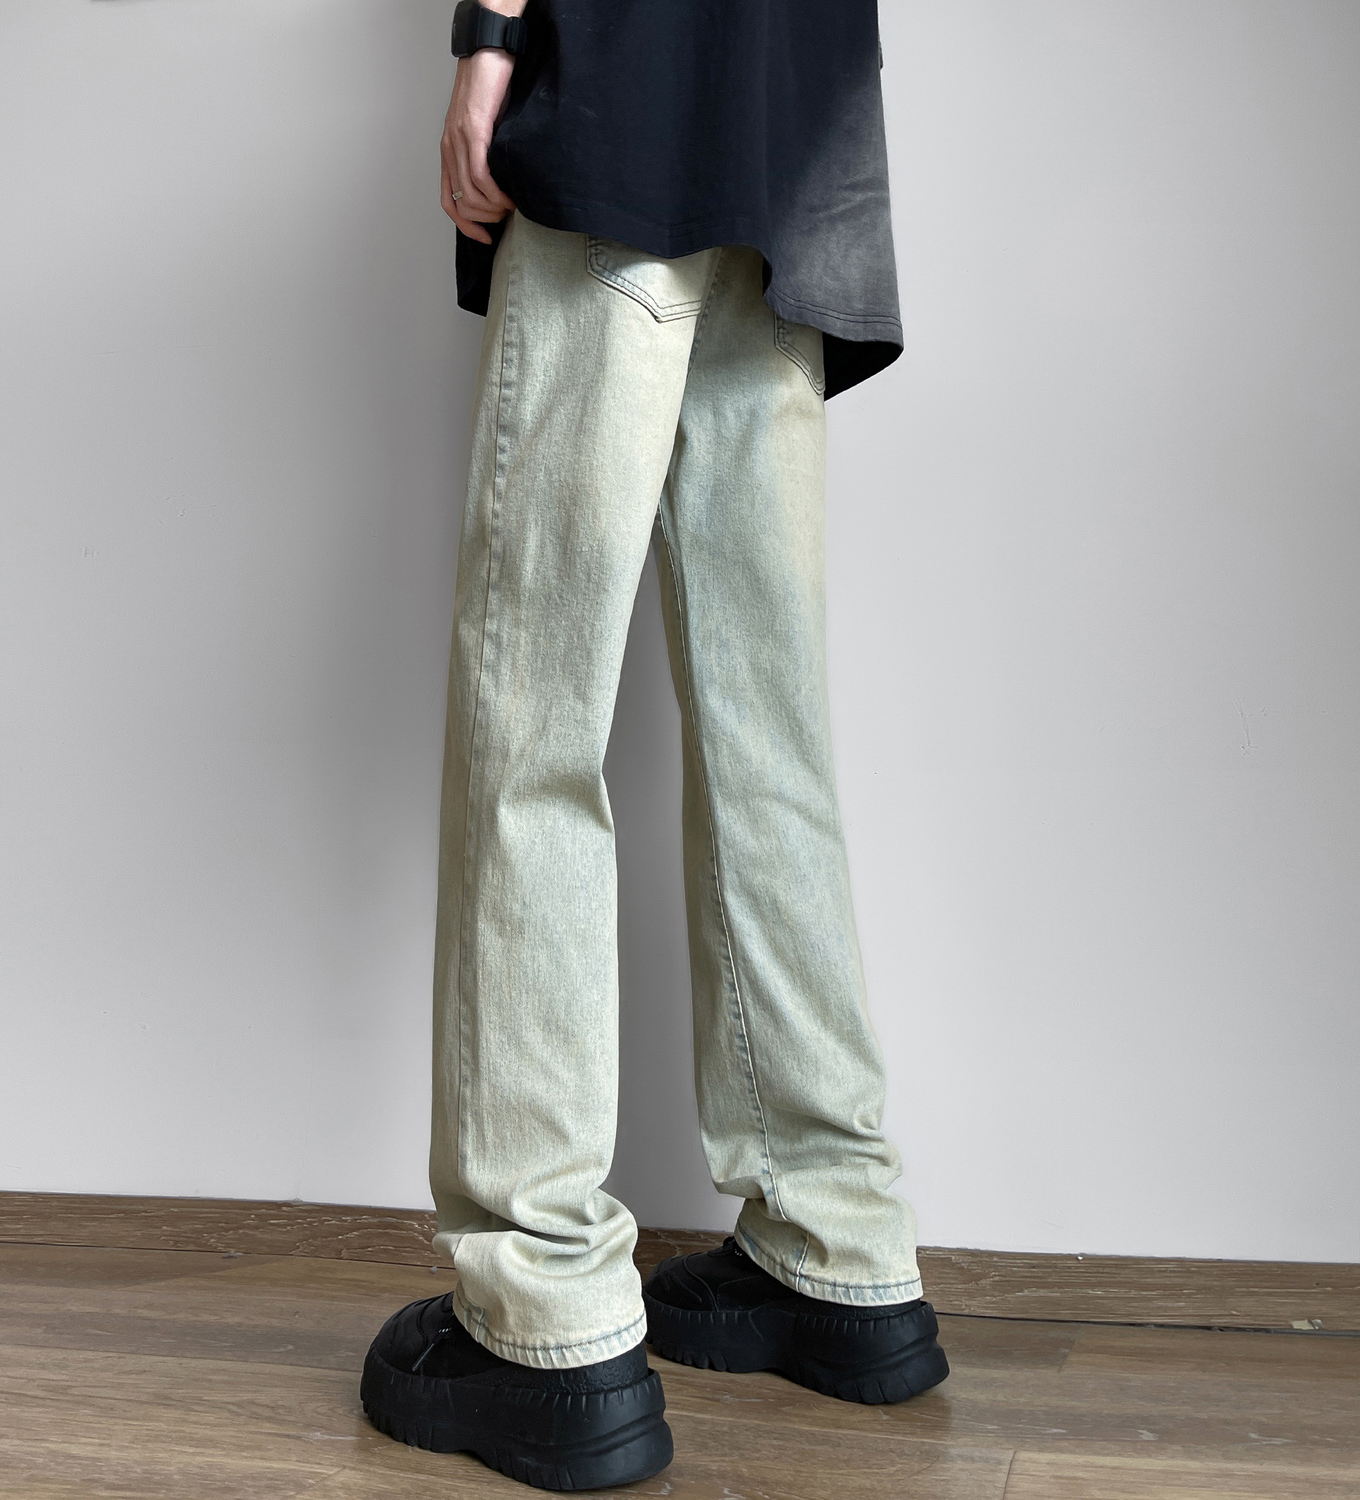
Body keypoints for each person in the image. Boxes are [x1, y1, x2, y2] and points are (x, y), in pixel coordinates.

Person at [361, 1, 949, 1488]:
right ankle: (837, 1241)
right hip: (795, 132)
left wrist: (490, 35)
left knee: (532, 726)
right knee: (769, 733)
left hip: (627, 107)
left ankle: (539, 1300)